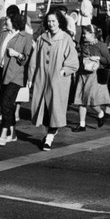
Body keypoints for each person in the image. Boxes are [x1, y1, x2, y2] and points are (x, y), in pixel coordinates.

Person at [28, 9, 79, 151]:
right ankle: (49, 132)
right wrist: (31, 77)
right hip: (42, 79)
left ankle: (49, 138)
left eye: (54, 21)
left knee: (55, 109)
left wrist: (64, 71)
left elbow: (73, 61)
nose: (51, 24)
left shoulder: (66, 38)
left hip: (58, 81)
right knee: (43, 109)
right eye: (49, 21)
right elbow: (34, 59)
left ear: (59, 22)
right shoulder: (42, 38)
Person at [0, 13, 33, 146]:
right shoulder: (3, 34)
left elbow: (26, 58)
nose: (5, 21)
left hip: (16, 75)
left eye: (7, 19)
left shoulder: (26, 37)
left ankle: (3, 133)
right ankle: (13, 133)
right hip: (2, 73)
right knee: (7, 105)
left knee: (6, 103)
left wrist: (17, 54)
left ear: (14, 21)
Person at [72, 25, 110, 131]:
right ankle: (82, 125)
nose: (83, 35)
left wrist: (98, 58)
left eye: (85, 33)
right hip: (83, 73)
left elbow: (108, 61)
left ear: (92, 34)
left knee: (90, 100)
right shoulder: (83, 45)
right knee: (81, 100)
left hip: (94, 74)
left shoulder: (101, 45)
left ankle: (100, 113)